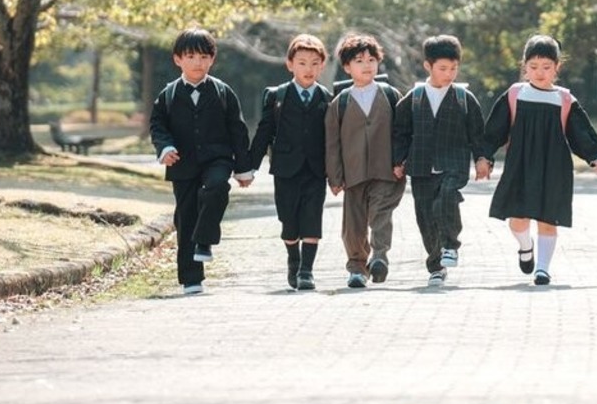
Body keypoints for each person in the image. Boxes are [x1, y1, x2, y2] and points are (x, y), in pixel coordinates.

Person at [482, 35, 597, 286]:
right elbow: (495, 129)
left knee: (548, 218)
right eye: (533, 67)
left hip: (553, 167)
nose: (540, 72)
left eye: (547, 67)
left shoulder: (565, 99)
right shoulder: (515, 94)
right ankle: (526, 248)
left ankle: (543, 269)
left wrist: (596, 158)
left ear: (557, 67)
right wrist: (484, 156)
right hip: (520, 165)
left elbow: (580, 134)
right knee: (517, 220)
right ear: (524, 66)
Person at [149, 28, 254, 295]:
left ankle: (205, 240)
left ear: (212, 60)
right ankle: (191, 279)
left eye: (204, 56)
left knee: (217, 187)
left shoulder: (222, 92)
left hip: (217, 160)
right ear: (177, 60)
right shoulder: (168, 95)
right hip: (182, 165)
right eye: (191, 56)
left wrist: (243, 168)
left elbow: (238, 131)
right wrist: (165, 148)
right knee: (186, 218)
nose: (198, 62)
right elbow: (157, 125)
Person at [392, 35, 492, 287]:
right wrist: (398, 160)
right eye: (443, 68)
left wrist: (482, 158)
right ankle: (436, 266)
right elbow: (400, 132)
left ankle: (450, 245)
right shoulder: (413, 98)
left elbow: (478, 134)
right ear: (428, 66)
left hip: (454, 164)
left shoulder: (463, 98)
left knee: (446, 197)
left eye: (454, 68)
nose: (449, 74)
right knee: (425, 216)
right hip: (421, 166)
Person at [248, 34, 332, 291]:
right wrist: (249, 166)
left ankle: (306, 271)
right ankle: (293, 259)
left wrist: (339, 174)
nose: (309, 69)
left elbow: (334, 139)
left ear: (322, 66)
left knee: (312, 218)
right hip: (285, 169)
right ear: (290, 64)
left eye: (315, 63)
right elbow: (264, 132)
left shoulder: (328, 98)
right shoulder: (277, 96)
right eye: (303, 63)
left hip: (316, 170)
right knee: (289, 221)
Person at [324, 33, 406, 289]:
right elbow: (332, 143)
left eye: (372, 59)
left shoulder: (391, 95)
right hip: (354, 173)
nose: (367, 65)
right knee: (353, 226)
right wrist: (335, 177)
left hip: (387, 170)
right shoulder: (341, 102)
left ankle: (380, 257)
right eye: (359, 60)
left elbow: (402, 131)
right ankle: (357, 268)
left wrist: (402, 160)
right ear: (347, 67)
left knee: (381, 215)